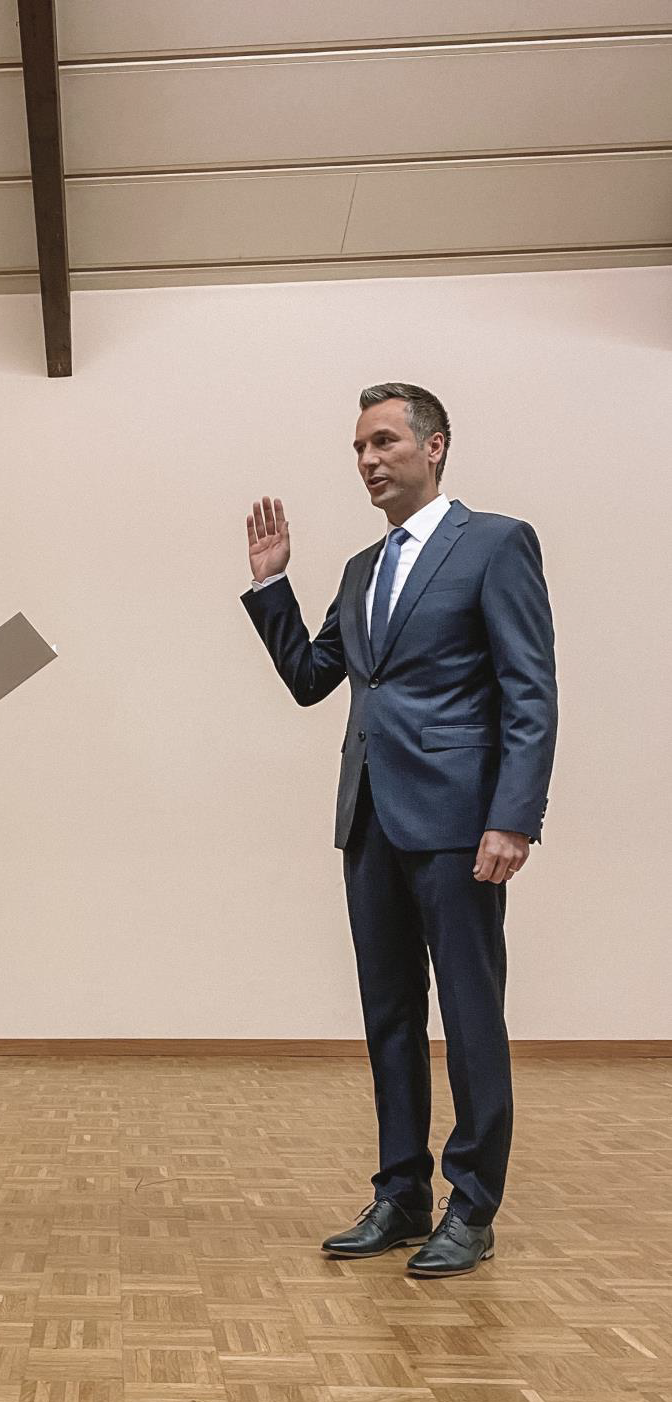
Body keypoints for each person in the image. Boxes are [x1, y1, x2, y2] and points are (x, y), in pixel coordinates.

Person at [242, 383, 557, 1276]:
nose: (368, 460)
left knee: (469, 1012)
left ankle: (474, 1205)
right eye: (358, 448)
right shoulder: (360, 569)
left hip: (460, 822)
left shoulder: (495, 542)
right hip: (371, 817)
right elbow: (313, 678)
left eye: (383, 441)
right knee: (389, 1014)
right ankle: (401, 1193)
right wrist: (271, 584)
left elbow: (530, 690)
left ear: (435, 445)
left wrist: (513, 816)